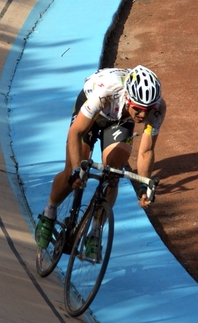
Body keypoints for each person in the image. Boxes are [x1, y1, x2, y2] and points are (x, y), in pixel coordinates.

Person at [34, 66, 166, 256]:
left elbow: (146, 151)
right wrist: (77, 168)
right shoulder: (105, 93)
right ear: (128, 98)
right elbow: (76, 132)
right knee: (73, 168)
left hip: (119, 120)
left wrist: (143, 186)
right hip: (94, 111)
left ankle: (95, 232)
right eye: (138, 109)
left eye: (148, 110)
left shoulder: (158, 109)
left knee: (113, 173)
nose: (143, 116)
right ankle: (49, 212)